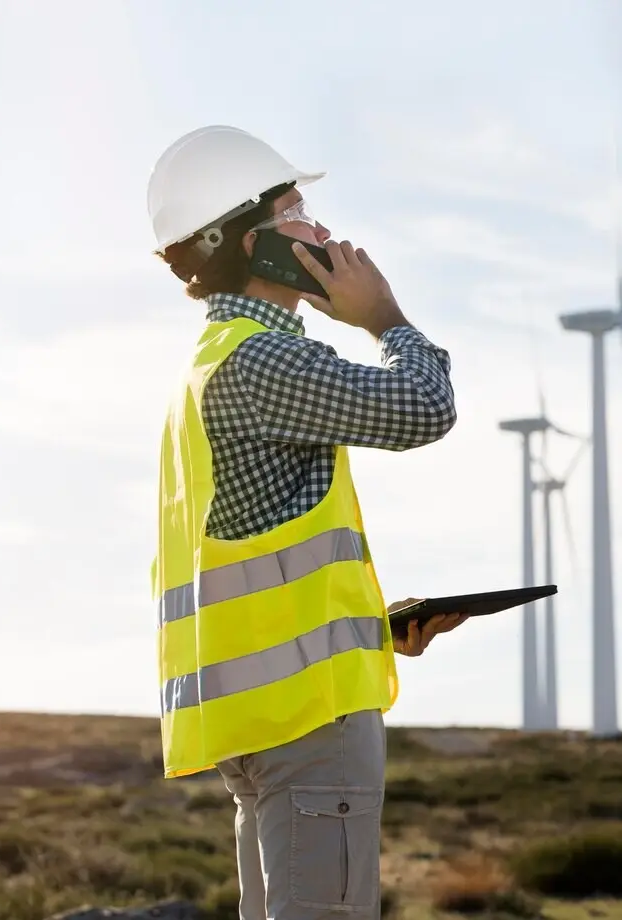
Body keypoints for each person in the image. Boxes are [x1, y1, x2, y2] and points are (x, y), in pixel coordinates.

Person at [147, 124, 465, 919]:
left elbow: (255, 557)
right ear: (249, 242)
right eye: (297, 210)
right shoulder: (262, 361)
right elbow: (425, 409)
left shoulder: (211, 364)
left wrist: (373, 629)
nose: (323, 232)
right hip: (307, 733)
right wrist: (385, 318)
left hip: (261, 730)